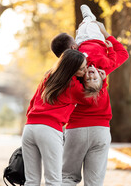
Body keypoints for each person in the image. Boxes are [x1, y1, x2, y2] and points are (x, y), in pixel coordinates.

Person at [50, 5, 129, 186]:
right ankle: (88, 21)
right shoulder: (101, 68)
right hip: (100, 129)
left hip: (75, 129)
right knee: (94, 183)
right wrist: (107, 35)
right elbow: (123, 53)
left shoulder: (70, 74)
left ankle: (88, 22)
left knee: (68, 177)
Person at [22, 49, 92, 186]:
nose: (85, 71)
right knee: (53, 180)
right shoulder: (74, 86)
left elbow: (32, 103)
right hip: (49, 130)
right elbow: (90, 100)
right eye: (82, 69)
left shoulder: (48, 76)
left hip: (29, 128)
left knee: (31, 180)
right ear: (72, 70)